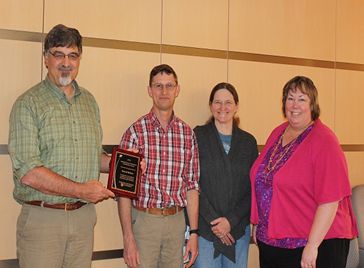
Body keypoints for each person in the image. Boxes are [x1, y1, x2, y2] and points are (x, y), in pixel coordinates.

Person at [8, 24, 115, 268]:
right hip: (43, 220)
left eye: (73, 55)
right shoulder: (28, 103)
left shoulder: (89, 102)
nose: (66, 62)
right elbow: (28, 172)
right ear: (46, 58)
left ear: (79, 59)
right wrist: (81, 190)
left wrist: (120, 166)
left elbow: (92, 155)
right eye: (59, 54)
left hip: (83, 219)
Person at [250, 76, 358, 268]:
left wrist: (312, 245)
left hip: (314, 244)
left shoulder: (325, 140)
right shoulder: (278, 132)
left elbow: (331, 200)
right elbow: (266, 179)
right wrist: (259, 223)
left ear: (312, 104)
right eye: (290, 98)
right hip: (274, 241)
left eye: (302, 99)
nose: (295, 105)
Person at [117, 64, 200, 268]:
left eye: (169, 86)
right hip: (145, 223)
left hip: (176, 222)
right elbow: (123, 192)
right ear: (149, 90)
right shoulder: (134, 133)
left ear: (177, 90)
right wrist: (128, 238)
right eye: (158, 86)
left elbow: (192, 187)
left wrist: (194, 234)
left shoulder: (187, 134)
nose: (164, 92)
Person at [193, 82, 258, 268]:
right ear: (210, 105)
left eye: (228, 102)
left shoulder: (248, 142)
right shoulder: (197, 136)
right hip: (206, 229)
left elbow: (253, 187)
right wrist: (216, 223)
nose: (223, 108)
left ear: (236, 106)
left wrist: (231, 221)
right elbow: (191, 183)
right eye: (217, 102)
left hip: (237, 230)